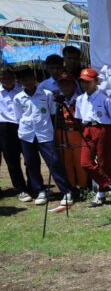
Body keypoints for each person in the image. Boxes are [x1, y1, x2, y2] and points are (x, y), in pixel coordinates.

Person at [13, 67, 74, 206]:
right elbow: (18, 118)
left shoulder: (46, 94)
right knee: (31, 164)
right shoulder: (18, 98)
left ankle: (66, 191)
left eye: (29, 79)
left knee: (54, 162)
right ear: (20, 82)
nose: (27, 82)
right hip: (27, 135)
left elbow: (53, 114)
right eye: (24, 80)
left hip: (45, 134)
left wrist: (52, 130)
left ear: (34, 79)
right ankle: (40, 190)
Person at [75, 68, 111, 207]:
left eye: (88, 82)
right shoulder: (80, 99)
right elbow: (79, 117)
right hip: (87, 129)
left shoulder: (104, 98)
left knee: (104, 163)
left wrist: (103, 126)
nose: (85, 85)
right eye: (82, 82)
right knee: (85, 162)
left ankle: (101, 195)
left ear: (96, 82)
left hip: (102, 129)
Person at [53, 70, 89, 190]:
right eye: (62, 84)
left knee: (79, 161)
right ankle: (71, 186)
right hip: (61, 132)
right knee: (66, 161)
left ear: (74, 85)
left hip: (76, 132)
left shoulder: (81, 99)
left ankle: (83, 186)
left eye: (67, 84)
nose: (65, 87)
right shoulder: (55, 99)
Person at [0, 67, 30, 201]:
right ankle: (20, 189)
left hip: (23, 125)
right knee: (12, 161)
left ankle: (33, 185)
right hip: (4, 127)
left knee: (30, 158)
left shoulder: (22, 89)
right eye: (3, 78)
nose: (7, 81)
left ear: (14, 78)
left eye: (9, 78)